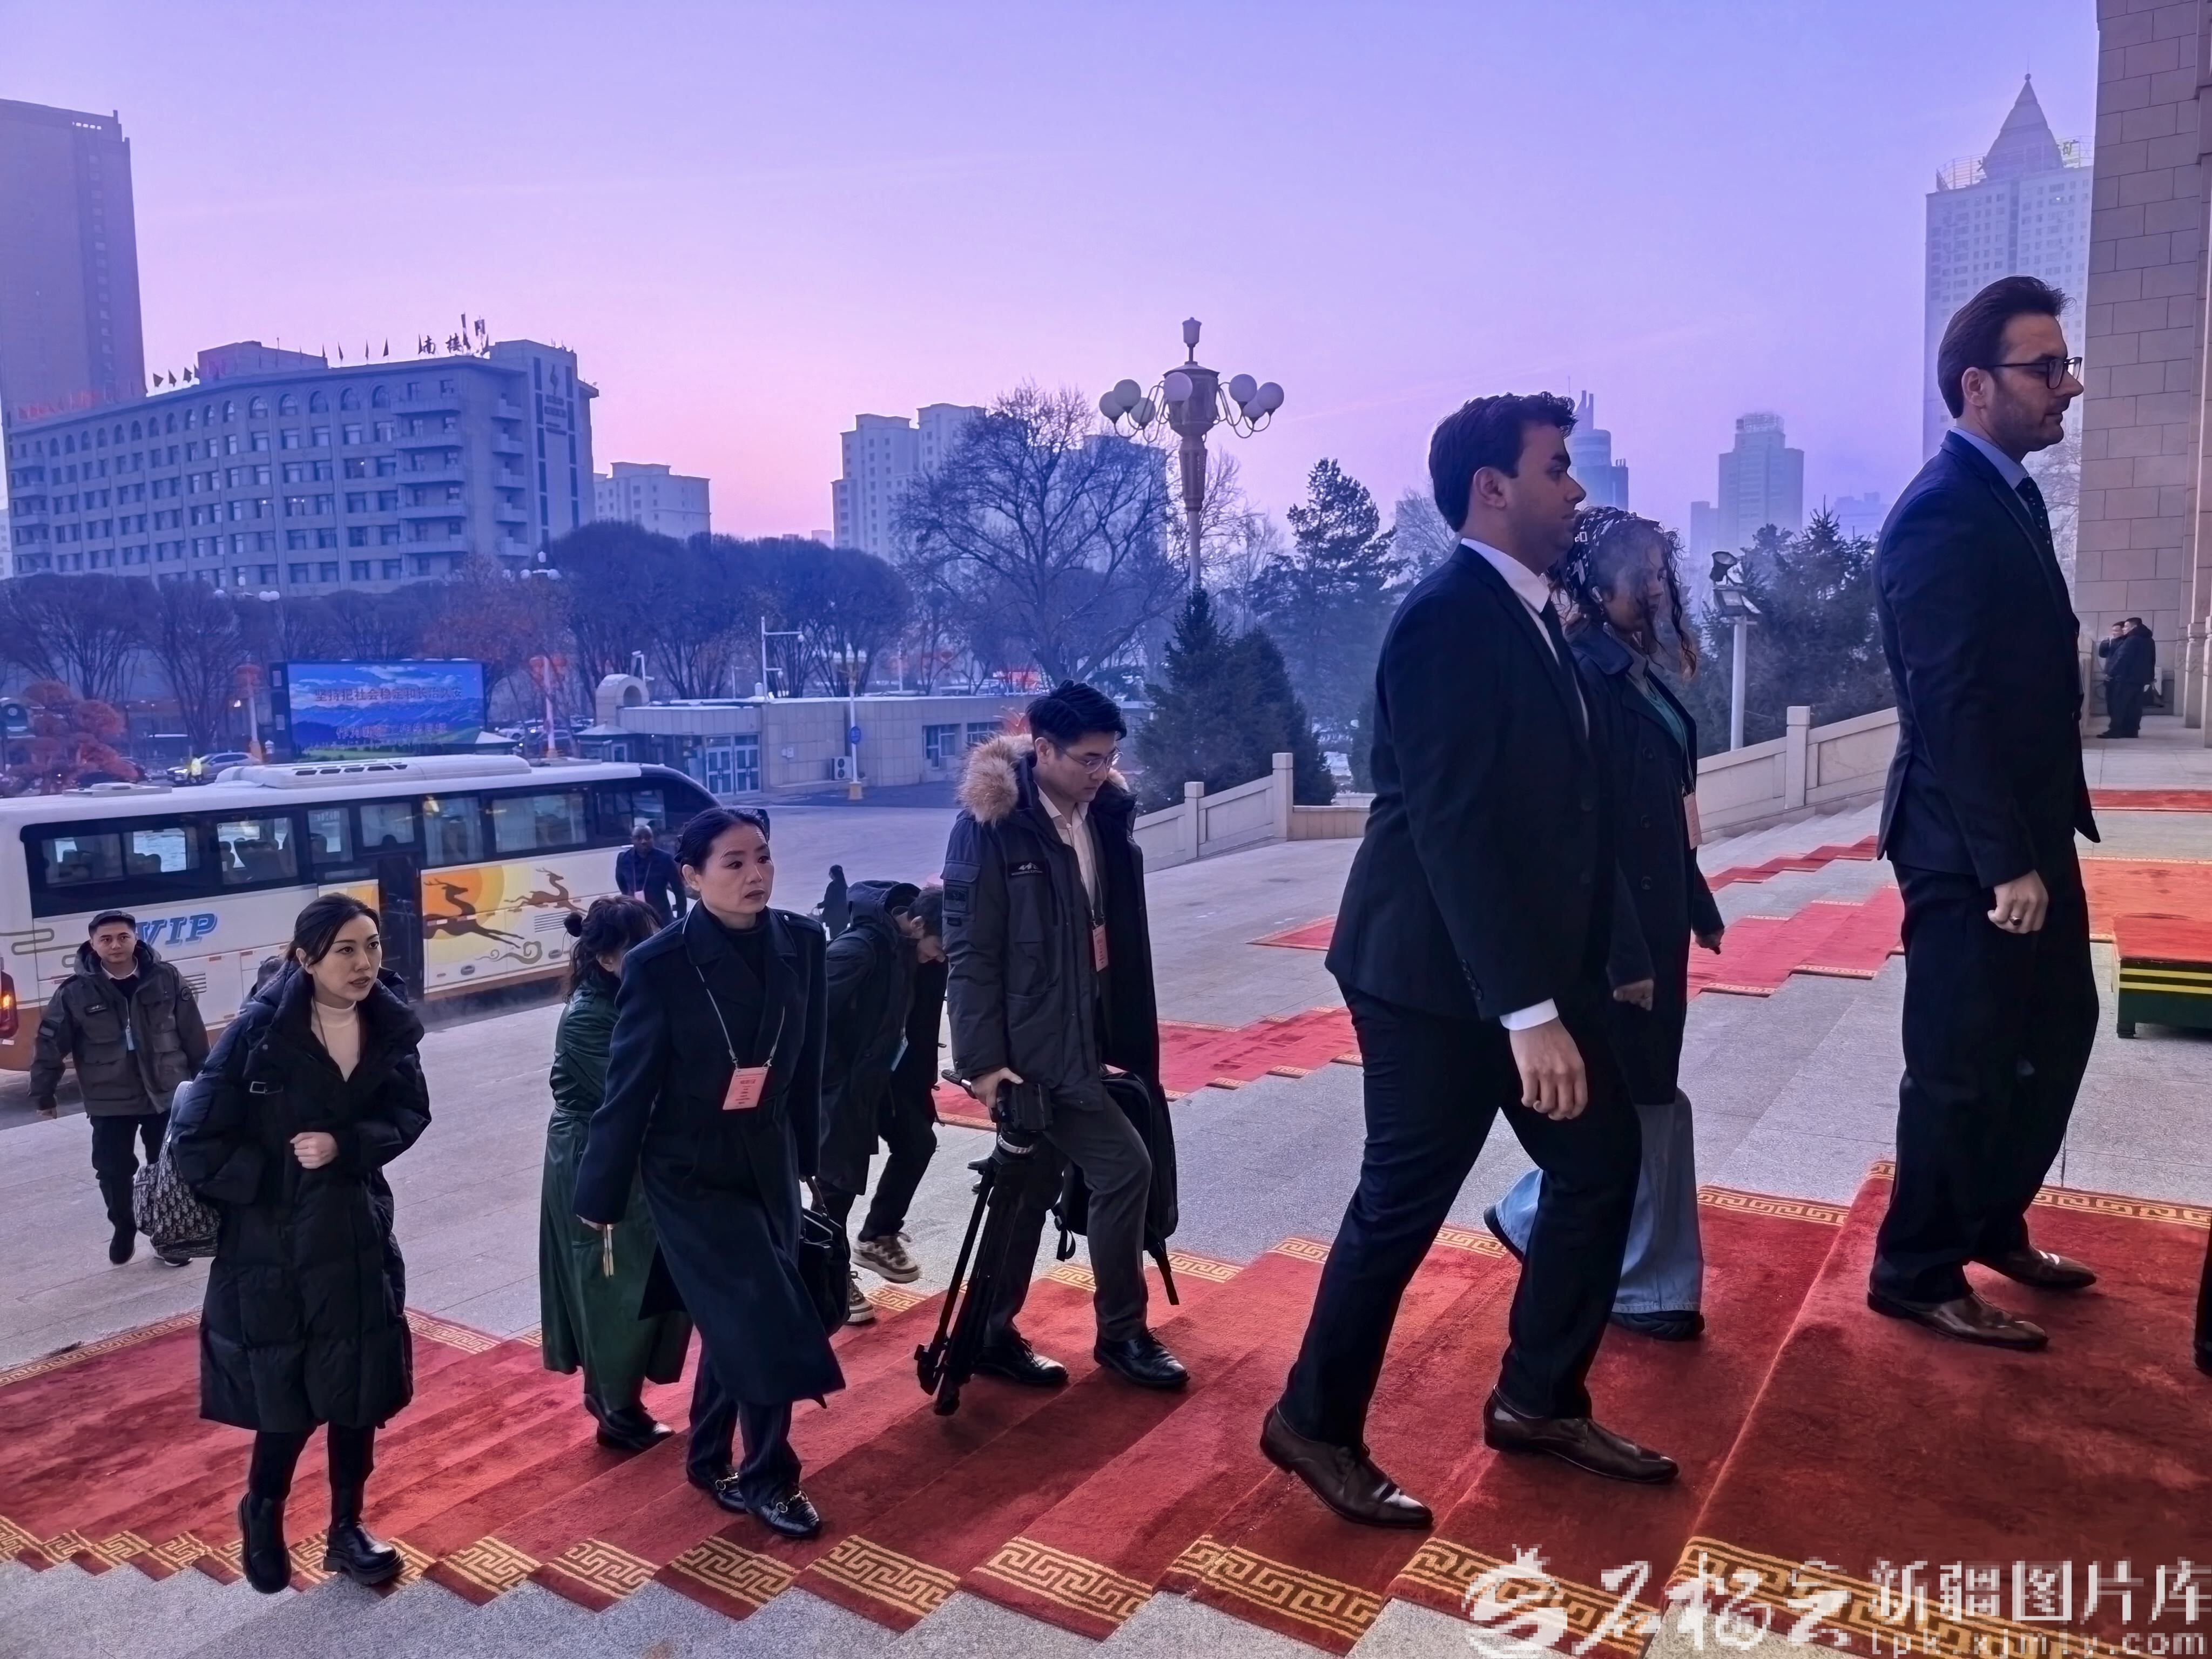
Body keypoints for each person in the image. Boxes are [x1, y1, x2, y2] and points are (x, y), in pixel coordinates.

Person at [1265, 392, 1669, 1530]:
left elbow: (1570, 811)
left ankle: (1537, 1399)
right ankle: (1312, 1422)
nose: (1575, 491)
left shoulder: (1533, 611)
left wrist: (1610, 954)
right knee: (1402, 1204)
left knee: (1600, 1164)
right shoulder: (1446, 616)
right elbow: (1452, 828)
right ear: (1492, 488)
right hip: (1427, 977)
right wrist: (1527, 1013)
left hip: (1519, 968)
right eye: (1556, 468)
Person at [1871, 274, 2100, 1351]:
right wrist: (2005, 861)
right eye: (2045, 368)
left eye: (2064, 365)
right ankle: (1914, 1268)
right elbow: (1947, 700)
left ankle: (1991, 1223)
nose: (2068, 386)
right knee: (1959, 1063)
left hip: (2027, 828)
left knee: (2055, 1031)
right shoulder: (1939, 512)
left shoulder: (2007, 495)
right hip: (1966, 845)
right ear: (1976, 385)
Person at [1486, 508, 1725, 1341]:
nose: (1658, 589)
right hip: (1617, 936)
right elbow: (1588, 835)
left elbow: (1666, 808)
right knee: (1637, 1096)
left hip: (1654, 916)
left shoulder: (1631, 670)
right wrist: (1627, 955)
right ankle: (1640, 1280)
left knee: (1647, 1093)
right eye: (1643, 574)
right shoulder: (1585, 675)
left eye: (1662, 572)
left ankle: (1557, 1228)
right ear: (1596, 581)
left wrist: (1697, 902)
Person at [575, 807, 840, 1541]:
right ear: (691, 877)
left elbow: (807, 1061)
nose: (756, 874)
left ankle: (706, 1457)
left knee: (738, 1317)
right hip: (688, 1170)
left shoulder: (802, 942)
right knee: (763, 1313)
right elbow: (629, 1088)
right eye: (734, 862)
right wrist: (600, 1192)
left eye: (763, 857)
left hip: (768, 1155)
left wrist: (809, 1160)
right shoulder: (660, 964)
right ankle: (769, 1477)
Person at [170, 895, 429, 1595]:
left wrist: (346, 1145)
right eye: (346, 949)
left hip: (356, 1236)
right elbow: (197, 1140)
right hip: (273, 1248)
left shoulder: (386, 1024)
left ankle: (347, 1529)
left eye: (372, 945)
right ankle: (263, 1510)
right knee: (286, 1397)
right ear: (306, 957)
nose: (364, 963)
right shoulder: (259, 1031)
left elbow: (410, 1112)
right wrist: (275, 1179)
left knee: (358, 1391)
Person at [944, 682, 1186, 1393]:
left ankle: (988, 1336)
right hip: (1034, 1052)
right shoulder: (993, 827)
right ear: (1042, 748)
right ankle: (1122, 1334)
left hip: (1091, 1031)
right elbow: (971, 954)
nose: (1101, 771)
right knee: (1125, 1169)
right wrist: (982, 1065)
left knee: (1027, 1188)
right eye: (1087, 759)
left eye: (1109, 757)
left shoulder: (1098, 812)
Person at [539, 898, 691, 1451]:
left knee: (645, 1274)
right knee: (612, 1280)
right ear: (606, 958)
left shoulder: (637, 996)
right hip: (598, 1155)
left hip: (636, 1148)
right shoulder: (588, 1016)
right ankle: (613, 1405)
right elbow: (634, 1096)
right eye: (640, 946)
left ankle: (621, 1395)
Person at [31, 909, 210, 1266]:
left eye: (123, 937)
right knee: (113, 1170)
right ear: (93, 944)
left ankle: (168, 1237)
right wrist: (44, 1093)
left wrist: (205, 1082)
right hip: (109, 1098)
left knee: (169, 1169)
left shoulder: (166, 978)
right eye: (107, 939)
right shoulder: (74, 992)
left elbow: (192, 1032)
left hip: (165, 1092)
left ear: (135, 939)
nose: (116, 945)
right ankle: (124, 1226)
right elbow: (50, 1043)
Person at [817, 880, 946, 1323]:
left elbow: (918, 1024)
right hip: (842, 1084)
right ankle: (829, 1276)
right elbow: (810, 1017)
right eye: (938, 948)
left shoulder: (914, 951)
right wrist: (837, 1080)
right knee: (838, 1184)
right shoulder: (858, 950)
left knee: (918, 1143)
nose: (941, 958)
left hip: (885, 1079)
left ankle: (877, 1236)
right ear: (917, 924)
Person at [2096, 617, 2156, 740]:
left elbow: (2122, 659)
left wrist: (2111, 674)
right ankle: (2132, 731)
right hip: (2139, 680)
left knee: (2118, 705)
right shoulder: (2149, 640)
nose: (2124, 629)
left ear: (2134, 627)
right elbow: (2152, 660)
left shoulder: (2131, 640)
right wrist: (2150, 678)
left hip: (2124, 679)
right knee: (2134, 706)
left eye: (2126, 627)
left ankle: (2115, 730)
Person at [615, 824, 687, 926]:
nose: (644, 841)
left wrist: (681, 920)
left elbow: (679, 891)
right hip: (634, 918)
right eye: (639, 838)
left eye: (648, 837)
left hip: (661, 917)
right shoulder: (623, 859)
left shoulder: (665, 859)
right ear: (632, 840)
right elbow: (622, 884)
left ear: (653, 838)